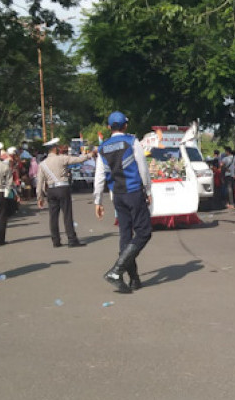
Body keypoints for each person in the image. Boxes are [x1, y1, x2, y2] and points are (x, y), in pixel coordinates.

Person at [94, 111, 153, 293]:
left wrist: (98, 200)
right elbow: (143, 168)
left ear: (109, 127)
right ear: (125, 126)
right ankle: (116, 270)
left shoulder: (103, 147)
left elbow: (100, 175)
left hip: (117, 195)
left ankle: (134, 279)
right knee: (144, 232)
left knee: (125, 236)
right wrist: (149, 190)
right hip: (134, 191)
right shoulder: (131, 141)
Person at [37, 138, 91, 248]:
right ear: (55, 148)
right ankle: (71, 239)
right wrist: (89, 155)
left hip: (51, 190)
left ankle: (55, 241)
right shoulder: (61, 159)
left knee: (53, 216)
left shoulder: (42, 164)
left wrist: (40, 197)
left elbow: (40, 182)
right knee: (67, 214)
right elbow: (78, 160)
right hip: (62, 187)